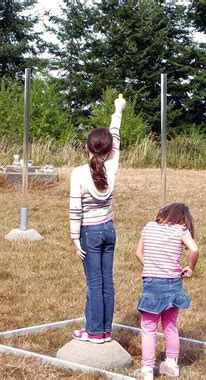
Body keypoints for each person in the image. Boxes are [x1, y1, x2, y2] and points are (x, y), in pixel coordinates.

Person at [69, 94, 126, 344]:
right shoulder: (112, 167)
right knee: (107, 282)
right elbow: (116, 137)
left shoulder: (79, 173)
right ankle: (104, 331)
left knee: (94, 283)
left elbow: (75, 209)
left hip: (89, 233)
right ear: (111, 150)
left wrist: (74, 238)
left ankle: (93, 332)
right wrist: (118, 110)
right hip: (109, 229)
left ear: (87, 148)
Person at [134, 203, 200, 379]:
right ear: (183, 219)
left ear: (163, 214)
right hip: (174, 285)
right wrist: (190, 267)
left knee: (149, 328)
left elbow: (138, 252)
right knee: (170, 325)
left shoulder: (148, 227)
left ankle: (147, 369)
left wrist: (151, 266)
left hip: (152, 285)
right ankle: (171, 364)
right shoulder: (181, 231)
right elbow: (194, 249)